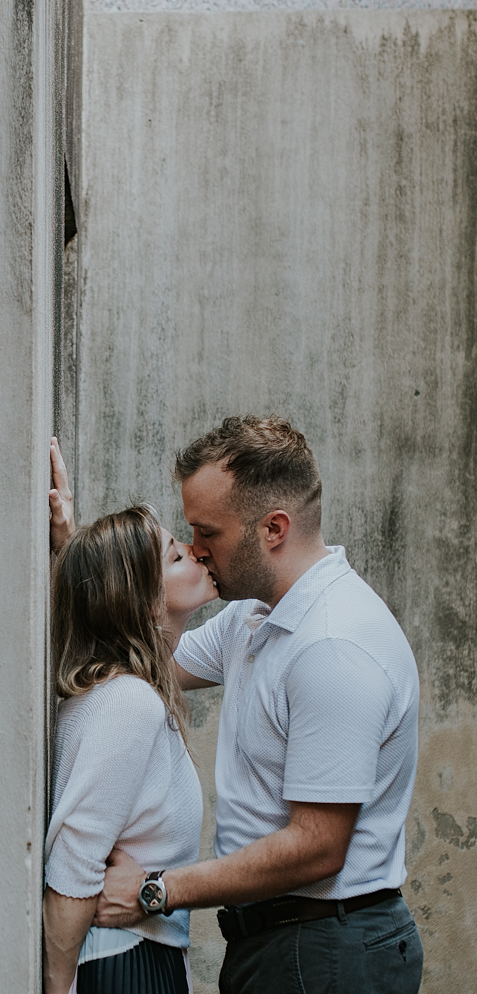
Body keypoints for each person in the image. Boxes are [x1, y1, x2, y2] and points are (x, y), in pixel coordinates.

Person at [77, 416, 424, 993]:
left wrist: (155, 890)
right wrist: (77, 561)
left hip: (326, 953)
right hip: (283, 944)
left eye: (206, 531)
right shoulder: (256, 616)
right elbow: (147, 654)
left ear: (273, 529)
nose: (194, 548)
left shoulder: (332, 646)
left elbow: (317, 847)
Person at [43, 494, 219, 994]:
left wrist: (69, 545)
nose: (195, 550)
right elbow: (73, 866)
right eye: (176, 555)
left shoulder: (124, 693)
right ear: (142, 601)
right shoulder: (127, 703)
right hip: (126, 964)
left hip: (142, 958)